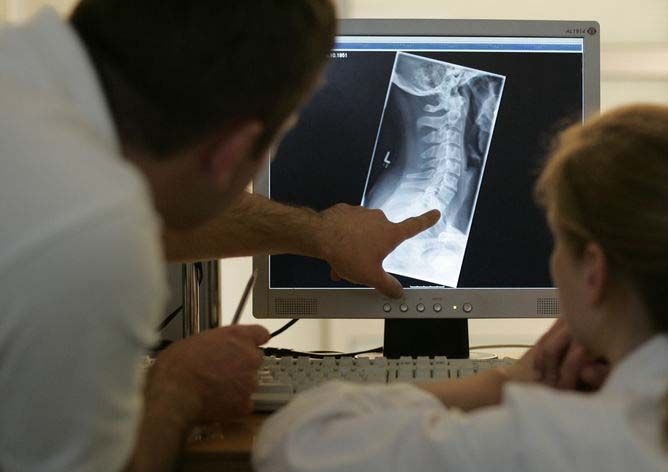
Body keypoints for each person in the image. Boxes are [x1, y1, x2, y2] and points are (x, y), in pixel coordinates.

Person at [254, 104, 668, 472]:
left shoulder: (553, 442)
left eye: (555, 239)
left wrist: (503, 382)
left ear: (594, 269)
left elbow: (294, 442)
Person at [0, 1, 438, 471]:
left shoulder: (22, 70)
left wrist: (320, 232)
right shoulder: (95, 234)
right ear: (232, 152)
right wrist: (177, 390)